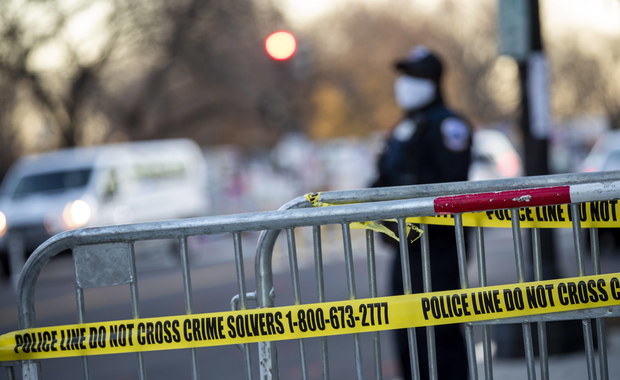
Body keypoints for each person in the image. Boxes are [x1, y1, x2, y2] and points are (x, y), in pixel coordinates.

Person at [372, 46, 472, 380]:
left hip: (438, 246)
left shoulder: (450, 126)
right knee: (406, 331)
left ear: (432, 81)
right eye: (404, 76)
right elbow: (382, 179)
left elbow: (447, 184)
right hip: (406, 245)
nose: (405, 84)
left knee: (440, 335)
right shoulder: (405, 128)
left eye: (414, 76)